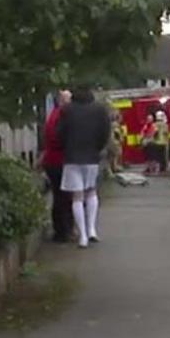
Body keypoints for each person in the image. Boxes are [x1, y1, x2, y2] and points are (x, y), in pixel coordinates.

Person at [56, 86, 114, 248]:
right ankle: (92, 229)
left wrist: (66, 146)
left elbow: (60, 133)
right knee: (91, 192)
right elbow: (105, 132)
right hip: (92, 157)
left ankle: (82, 236)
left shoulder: (67, 110)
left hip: (72, 157)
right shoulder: (99, 110)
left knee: (77, 196)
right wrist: (97, 148)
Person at [39, 90, 73, 242]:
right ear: (62, 101)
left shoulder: (53, 115)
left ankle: (62, 230)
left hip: (52, 161)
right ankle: (63, 231)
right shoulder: (62, 116)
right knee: (64, 198)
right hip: (60, 161)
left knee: (59, 197)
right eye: (68, 100)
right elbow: (59, 138)